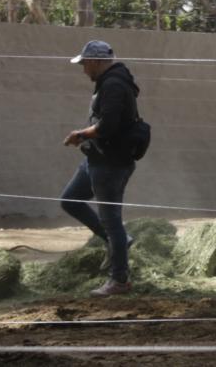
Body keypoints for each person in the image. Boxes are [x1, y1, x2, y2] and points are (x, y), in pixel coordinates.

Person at [59, 39, 142, 295]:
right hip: (96, 159)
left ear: (96, 61)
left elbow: (108, 126)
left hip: (111, 163)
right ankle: (116, 242)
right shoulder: (108, 83)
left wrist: (80, 134)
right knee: (70, 199)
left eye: (85, 63)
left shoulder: (114, 86)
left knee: (112, 222)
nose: (84, 69)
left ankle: (119, 280)